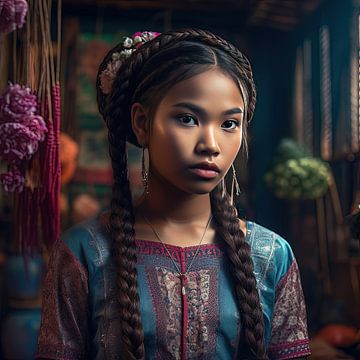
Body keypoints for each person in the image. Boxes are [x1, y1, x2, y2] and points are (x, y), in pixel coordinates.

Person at [36, 28, 311, 360]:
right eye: (187, 118)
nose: (210, 144)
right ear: (141, 122)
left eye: (229, 124)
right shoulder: (84, 253)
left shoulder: (270, 256)